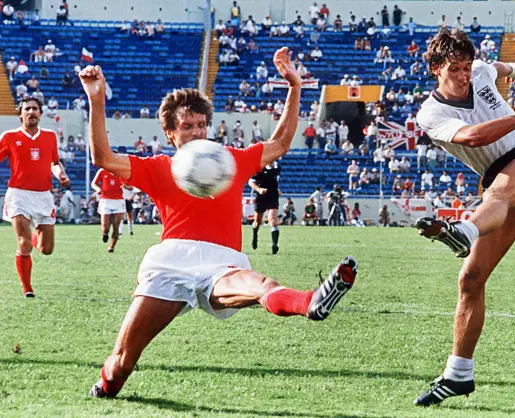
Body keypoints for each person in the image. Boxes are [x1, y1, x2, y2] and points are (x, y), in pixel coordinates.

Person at [81, 48, 358, 399]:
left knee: (261, 284)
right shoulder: (158, 168)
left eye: (201, 125)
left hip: (221, 262)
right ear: (170, 133)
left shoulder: (229, 161)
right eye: (187, 127)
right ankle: (106, 386)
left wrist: (295, 86)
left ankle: (311, 302)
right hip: (171, 261)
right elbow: (102, 158)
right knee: (122, 361)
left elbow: (282, 142)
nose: (197, 132)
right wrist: (96, 99)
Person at [413, 29, 515, 407]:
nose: (464, 75)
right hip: (500, 177)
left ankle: (463, 230)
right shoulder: (432, 114)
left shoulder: (480, 70)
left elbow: (501, 67)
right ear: (435, 69)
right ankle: (458, 374)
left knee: (495, 193)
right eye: (455, 69)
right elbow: (474, 138)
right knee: (471, 278)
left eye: (466, 67)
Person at [0, 96, 70, 297]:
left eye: (34, 109)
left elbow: (54, 162)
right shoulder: (9, 137)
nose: (31, 112)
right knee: (23, 243)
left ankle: (31, 238)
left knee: (46, 249)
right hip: (19, 195)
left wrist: (61, 175)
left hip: (43, 196)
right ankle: (27, 288)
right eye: (27, 109)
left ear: (40, 113)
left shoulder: (49, 137)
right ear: (20, 113)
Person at [249, 160, 281, 254]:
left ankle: (274, 245)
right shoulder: (260, 168)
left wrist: (277, 190)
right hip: (261, 197)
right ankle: (255, 235)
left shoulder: (277, 167)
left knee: (273, 220)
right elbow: (251, 182)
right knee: (257, 222)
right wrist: (259, 189)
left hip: (273, 197)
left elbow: (273, 181)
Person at [92, 168, 126, 252]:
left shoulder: (121, 171)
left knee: (116, 225)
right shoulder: (102, 171)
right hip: (106, 201)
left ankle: (112, 247)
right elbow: (93, 183)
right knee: (105, 226)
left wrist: (127, 186)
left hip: (119, 201)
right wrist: (98, 189)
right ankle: (105, 233)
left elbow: (130, 185)